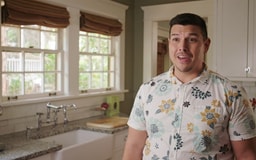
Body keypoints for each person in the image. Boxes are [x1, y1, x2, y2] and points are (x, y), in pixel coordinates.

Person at [122, 13, 256, 160]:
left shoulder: (232, 94)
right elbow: (134, 146)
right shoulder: (147, 90)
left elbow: (246, 155)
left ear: (206, 45)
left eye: (191, 40)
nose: (182, 47)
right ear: (169, 43)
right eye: (176, 39)